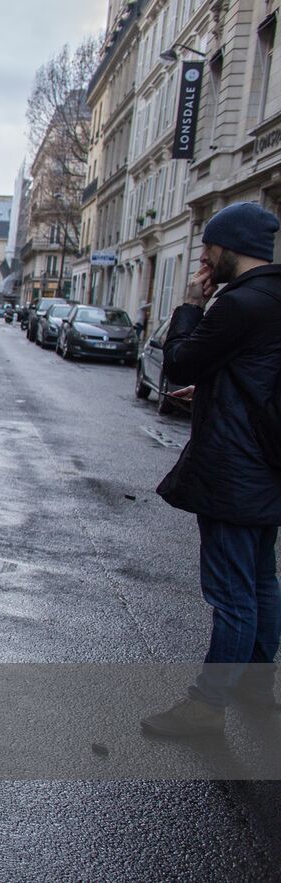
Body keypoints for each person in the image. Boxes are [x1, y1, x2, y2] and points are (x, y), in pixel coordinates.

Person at [142, 201, 281, 738]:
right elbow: (258, 375)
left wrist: (189, 306)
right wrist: (217, 387)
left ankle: (206, 707)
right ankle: (255, 683)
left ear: (230, 248)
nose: (203, 259)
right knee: (262, 580)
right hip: (267, 466)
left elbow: (178, 360)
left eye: (208, 249)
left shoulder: (239, 303)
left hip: (234, 469)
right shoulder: (274, 297)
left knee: (232, 594)